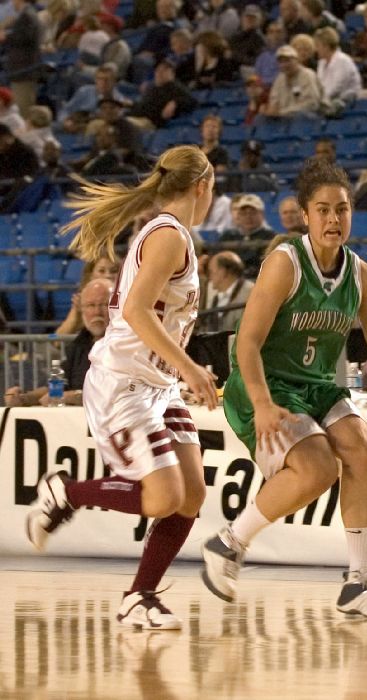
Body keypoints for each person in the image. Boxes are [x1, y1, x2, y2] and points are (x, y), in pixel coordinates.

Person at [200, 158, 367, 619]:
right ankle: (229, 542)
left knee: (362, 449)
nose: (333, 219)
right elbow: (246, 342)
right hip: (264, 385)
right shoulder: (284, 264)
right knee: (318, 468)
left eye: (341, 209)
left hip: (317, 385)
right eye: (323, 210)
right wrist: (262, 404)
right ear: (305, 215)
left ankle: (359, 582)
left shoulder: (362, 274)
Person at [26, 146, 219, 630]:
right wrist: (190, 368)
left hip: (157, 384)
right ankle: (66, 493)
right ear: (202, 187)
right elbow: (135, 311)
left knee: (191, 495)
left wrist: (180, 369)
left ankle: (139, 597)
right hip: (124, 382)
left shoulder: (171, 234)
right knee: (162, 498)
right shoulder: (168, 235)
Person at [4, 278, 111, 407]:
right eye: (91, 305)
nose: (97, 312)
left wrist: (73, 397)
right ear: (81, 310)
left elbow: (117, 393)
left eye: (104, 305)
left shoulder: (125, 345)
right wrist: (24, 398)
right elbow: (57, 387)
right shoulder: (79, 344)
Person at [56, 252, 121, 335]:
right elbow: (56, 338)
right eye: (101, 271)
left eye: (114, 271)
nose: (108, 275)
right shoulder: (82, 299)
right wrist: (76, 317)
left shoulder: (130, 297)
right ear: (91, 275)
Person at [220, 194, 275, 278]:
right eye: (244, 213)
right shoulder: (228, 236)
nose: (248, 217)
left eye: (253, 213)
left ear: (262, 214)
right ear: (239, 216)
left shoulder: (271, 237)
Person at [260, 44, 322, 120]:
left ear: (297, 60)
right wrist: (270, 110)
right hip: (286, 118)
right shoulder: (279, 79)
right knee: (260, 118)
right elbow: (274, 101)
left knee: (301, 115)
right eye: (281, 62)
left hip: (312, 118)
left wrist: (283, 112)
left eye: (288, 61)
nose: (284, 65)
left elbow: (311, 104)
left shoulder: (307, 75)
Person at [314, 26, 361, 116]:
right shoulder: (321, 63)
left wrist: (321, 100)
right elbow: (319, 86)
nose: (316, 50)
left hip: (346, 100)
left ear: (326, 46)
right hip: (327, 100)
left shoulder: (342, 60)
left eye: (318, 46)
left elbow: (337, 88)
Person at [203, 251, 255, 332]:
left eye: (211, 272)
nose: (209, 277)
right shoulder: (216, 298)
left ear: (222, 272)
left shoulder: (250, 292)